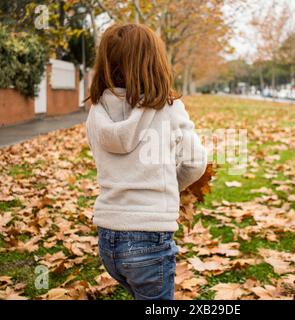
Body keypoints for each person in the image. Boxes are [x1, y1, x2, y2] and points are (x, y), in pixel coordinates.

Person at [85, 23, 207, 300]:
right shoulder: (168, 108)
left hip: (108, 238)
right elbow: (196, 162)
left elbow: (101, 157)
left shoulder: (96, 112)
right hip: (150, 240)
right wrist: (167, 184)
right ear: (155, 62)